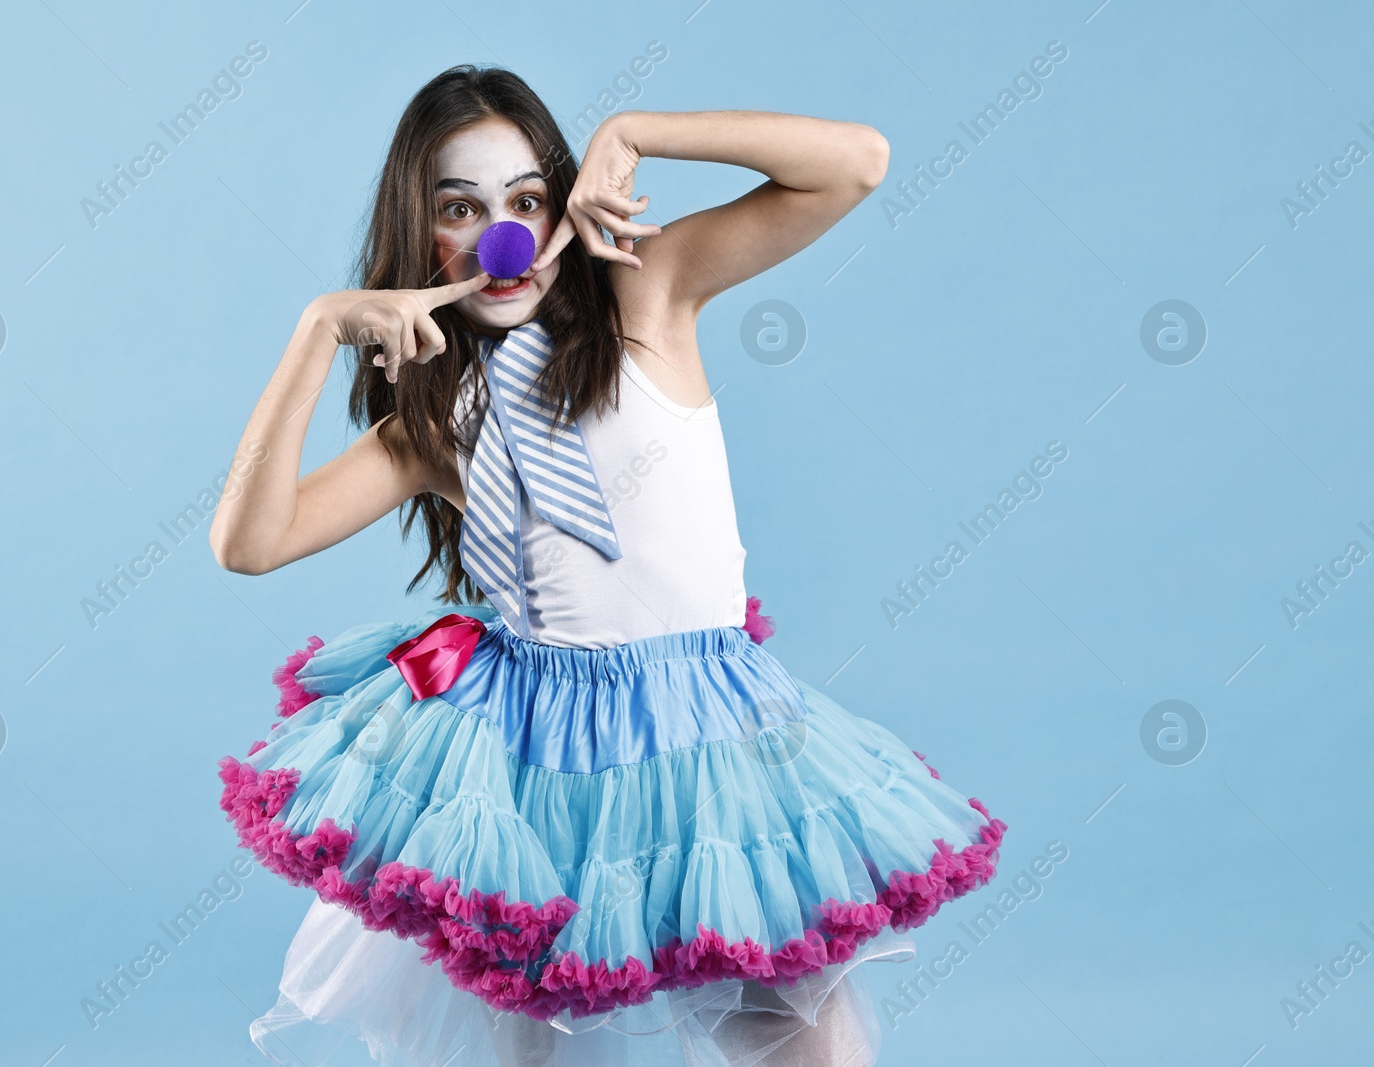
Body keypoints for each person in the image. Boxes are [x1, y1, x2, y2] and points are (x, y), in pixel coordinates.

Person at [211, 64, 1005, 1067]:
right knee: (533, 1027)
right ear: (422, 235)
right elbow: (249, 542)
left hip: (711, 723)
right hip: (533, 753)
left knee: (806, 1028)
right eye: (461, 208)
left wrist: (637, 131)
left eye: (525, 200)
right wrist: (316, 328)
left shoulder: (648, 293)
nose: (499, 237)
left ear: (559, 206)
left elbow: (856, 163)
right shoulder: (427, 423)